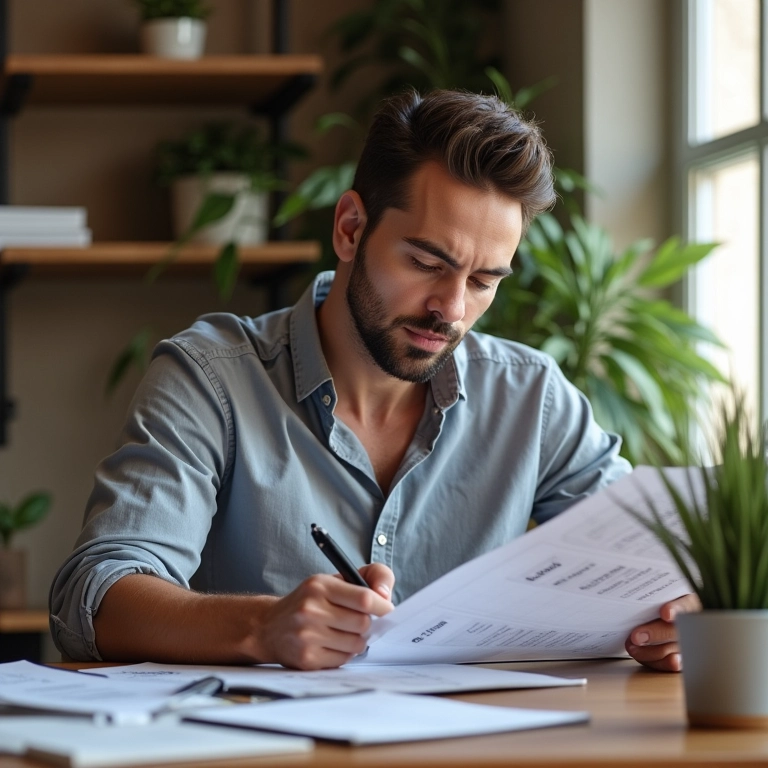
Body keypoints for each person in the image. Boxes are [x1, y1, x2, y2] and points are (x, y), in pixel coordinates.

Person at [50, 89, 697, 671]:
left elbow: (648, 562)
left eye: (483, 282)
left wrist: (678, 611)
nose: (452, 308)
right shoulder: (211, 380)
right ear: (350, 228)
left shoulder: (531, 398)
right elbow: (96, 594)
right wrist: (263, 628)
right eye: (425, 262)